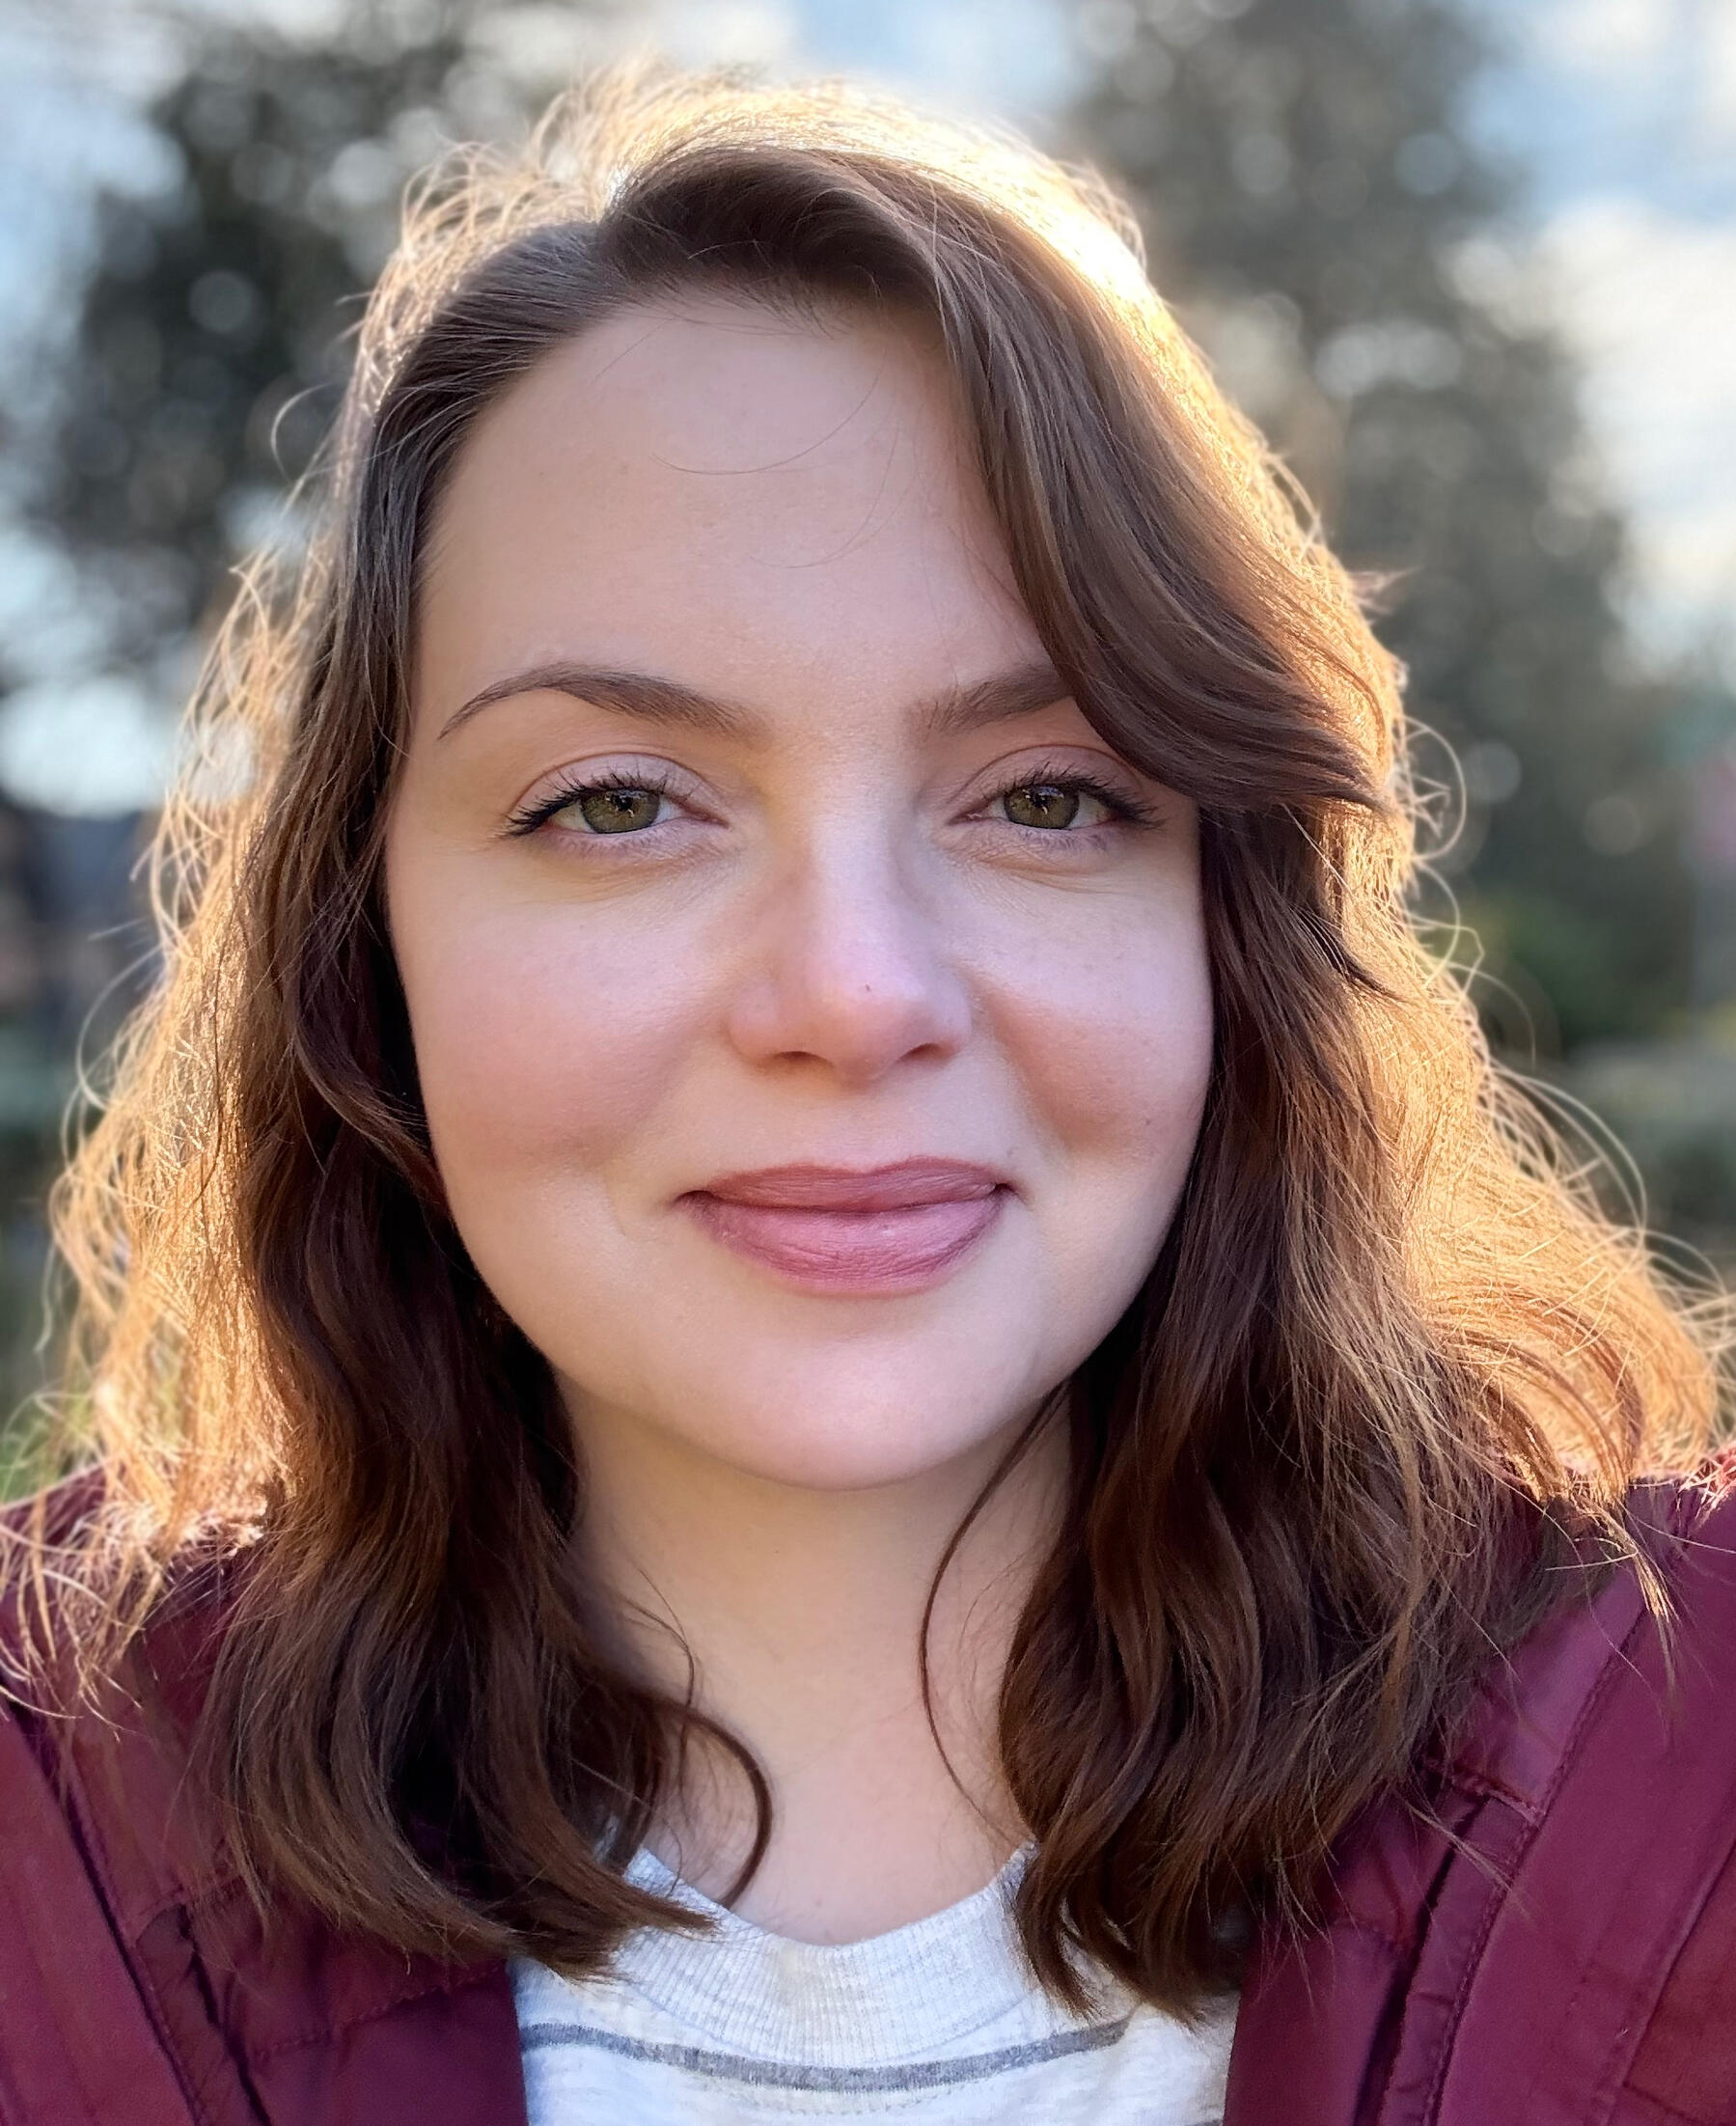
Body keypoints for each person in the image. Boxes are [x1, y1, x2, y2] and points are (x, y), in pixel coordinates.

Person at [0, 67, 1731, 2126]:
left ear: (1226, 916)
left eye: (1047, 798)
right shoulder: (48, 1843)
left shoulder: (1691, 1769)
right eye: (619, 803)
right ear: (364, 948)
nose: (851, 993)